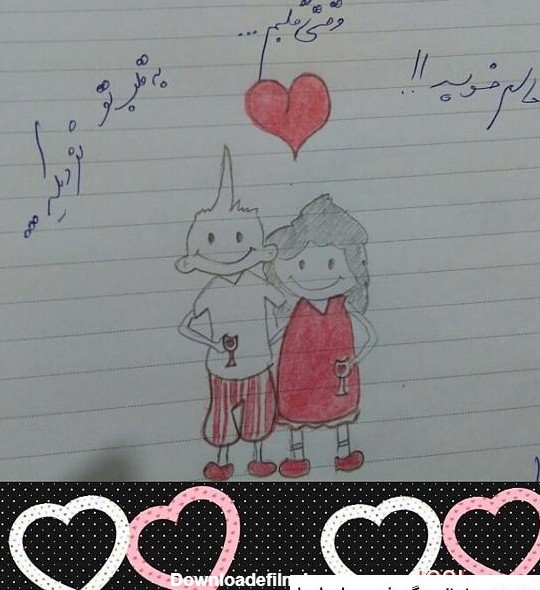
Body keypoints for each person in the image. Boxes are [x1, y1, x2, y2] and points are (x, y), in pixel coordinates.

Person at [175, 145, 285, 481]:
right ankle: (221, 461)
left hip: (258, 362)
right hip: (222, 367)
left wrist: (272, 337)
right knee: (221, 415)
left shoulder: (258, 283)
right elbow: (186, 325)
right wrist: (213, 343)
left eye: (239, 237)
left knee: (259, 413)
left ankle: (258, 458)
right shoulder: (212, 290)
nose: (227, 249)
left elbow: (283, 309)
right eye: (211, 239)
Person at [265, 195, 378, 478]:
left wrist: (353, 362)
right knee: (296, 410)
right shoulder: (297, 308)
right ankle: (297, 457)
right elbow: (278, 334)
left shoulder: (342, 305)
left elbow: (371, 337)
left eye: (331, 264)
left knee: (339, 410)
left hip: (335, 372)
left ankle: (344, 453)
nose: (316, 276)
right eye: (301, 264)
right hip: (298, 372)